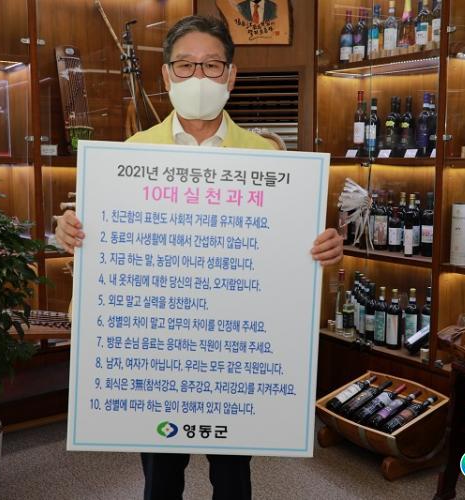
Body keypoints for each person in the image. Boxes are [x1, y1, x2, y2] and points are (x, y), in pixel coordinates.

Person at [55, 15, 343, 500]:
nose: (199, 77)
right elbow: (105, 244)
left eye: (211, 65)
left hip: (234, 350)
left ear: (231, 75)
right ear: (166, 75)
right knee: (160, 478)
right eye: (185, 65)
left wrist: (324, 249)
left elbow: (290, 253)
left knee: (233, 478)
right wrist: (73, 233)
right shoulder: (131, 154)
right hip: (162, 347)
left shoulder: (270, 157)